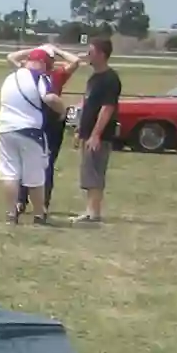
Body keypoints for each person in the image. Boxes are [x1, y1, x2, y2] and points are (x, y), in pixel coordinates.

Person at [0, 47, 61, 225]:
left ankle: (11, 213)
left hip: (6, 129)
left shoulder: (11, 77)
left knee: (10, 174)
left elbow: (10, 56)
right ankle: (39, 213)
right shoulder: (39, 77)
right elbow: (50, 98)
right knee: (35, 176)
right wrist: (62, 110)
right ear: (42, 64)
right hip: (30, 131)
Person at [8, 44, 79, 211]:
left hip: (32, 116)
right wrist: (58, 50)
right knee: (47, 163)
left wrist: (34, 50)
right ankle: (43, 203)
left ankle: (21, 200)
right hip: (53, 117)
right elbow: (75, 61)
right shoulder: (57, 74)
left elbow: (11, 57)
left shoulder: (27, 74)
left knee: (25, 160)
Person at [71, 36, 121, 224]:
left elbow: (107, 108)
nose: (87, 55)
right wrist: (79, 129)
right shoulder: (94, 78)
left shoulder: (110, 79)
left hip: (99, 135)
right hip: (87, 132)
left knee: (95, 173)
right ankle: (90, 211)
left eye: (91, 51)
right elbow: (88, 105)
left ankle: (93, 214)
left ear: (101, 54)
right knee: (87, 172)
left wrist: (95, 135)